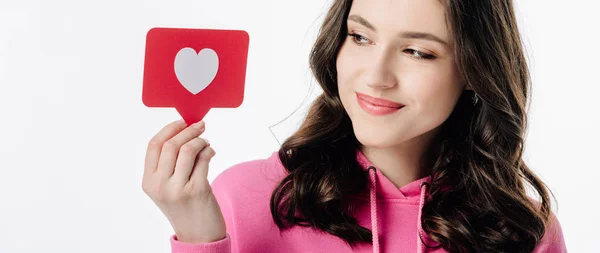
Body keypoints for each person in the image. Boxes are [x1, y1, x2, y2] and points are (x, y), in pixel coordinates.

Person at [142, 0, 568, 252]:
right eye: (361, 37)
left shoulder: (519, 230)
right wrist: (200, 237)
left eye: (418, 51)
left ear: (476, 70)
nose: (376, 75)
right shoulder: (245, 198)